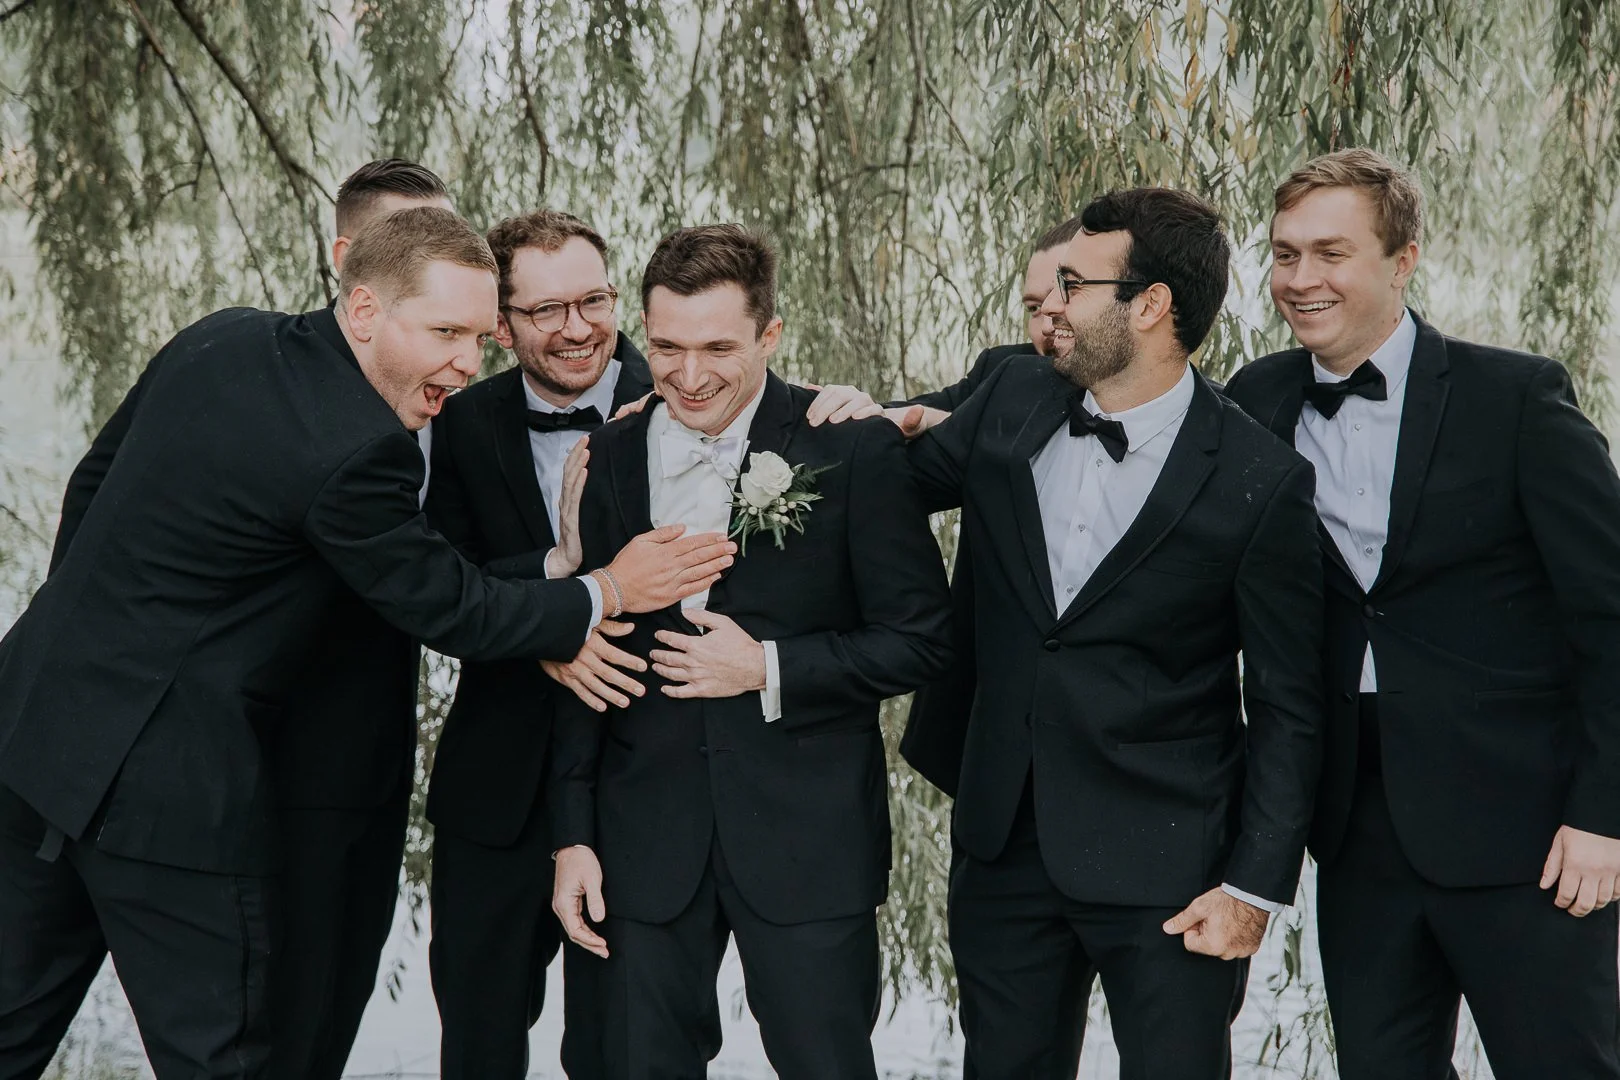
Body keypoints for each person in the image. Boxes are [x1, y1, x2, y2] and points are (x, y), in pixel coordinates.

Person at [0, 206, 734, 1079]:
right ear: (363, 313)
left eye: (477, 334)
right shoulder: (358, 450)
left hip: (33, 731)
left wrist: (99, 637)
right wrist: (608, 587)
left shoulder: (221, 338)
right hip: (170, 792)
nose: (468, 363)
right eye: (447, 333)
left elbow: (92, 485)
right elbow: (451, 607)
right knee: (223, 1058)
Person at [905, 188, 1325, 1079]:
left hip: (1175, 868)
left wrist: (1254, 888)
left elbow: (1290, 701)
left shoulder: (1261, 479)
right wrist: (739, 415)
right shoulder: (1011, 397)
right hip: (1005, 845)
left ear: (1150, 304)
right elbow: (876, 482)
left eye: (1073, 283)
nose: (1049, 304)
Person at [1223, 148, 1620, 1080]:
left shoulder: (1516, 398)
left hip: (1533, 837)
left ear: (1402, 261)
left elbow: (1610, 617)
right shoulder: (1256, 400)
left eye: (1331, 252)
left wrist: (1605, 817)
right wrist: (930, 421)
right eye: (1284, 255)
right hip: (1358, 830)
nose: (1301, 279)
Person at [548, 225, 953, 1079]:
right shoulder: (607, 458)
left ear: (769, 336)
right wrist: (573, 836)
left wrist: (768, 668)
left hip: (809, 843)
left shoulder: (850, 446)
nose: (688, 377)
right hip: (641, 843)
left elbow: (923, 640)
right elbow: (592, 660)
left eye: (718, 348)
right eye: (665, 348)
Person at [423, 209, 654, 1080]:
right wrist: (550, 622)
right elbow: (436, 582)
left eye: (593, 300)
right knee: (478, 1044)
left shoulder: (688, 400)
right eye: (546, 311)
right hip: (497, 788)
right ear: (502, 322)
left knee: (623, 1051)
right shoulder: (451, 419)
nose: (578, 328)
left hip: (638, 785)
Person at [265, 157, 453, 1080]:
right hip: (269, 761)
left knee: (333, 1007)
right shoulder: (276, 386)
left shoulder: (445, 385)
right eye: (412, 244)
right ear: (352, 265)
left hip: (375, 758)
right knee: (274, 1020)